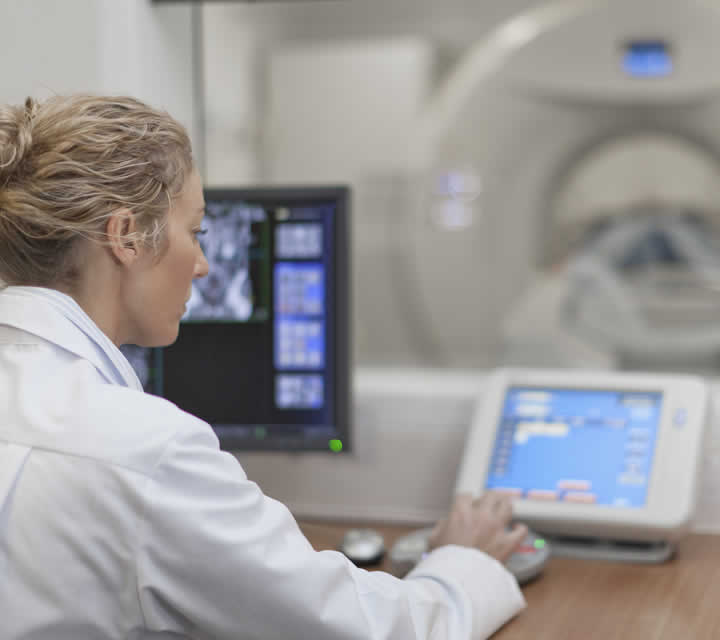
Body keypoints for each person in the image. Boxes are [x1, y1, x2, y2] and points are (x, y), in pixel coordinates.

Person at [0, 94, 527, 639]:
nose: (203, 266)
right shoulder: (142, 451)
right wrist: (464, 564)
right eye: (196, 232)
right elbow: (371, 630)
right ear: (126, 235)